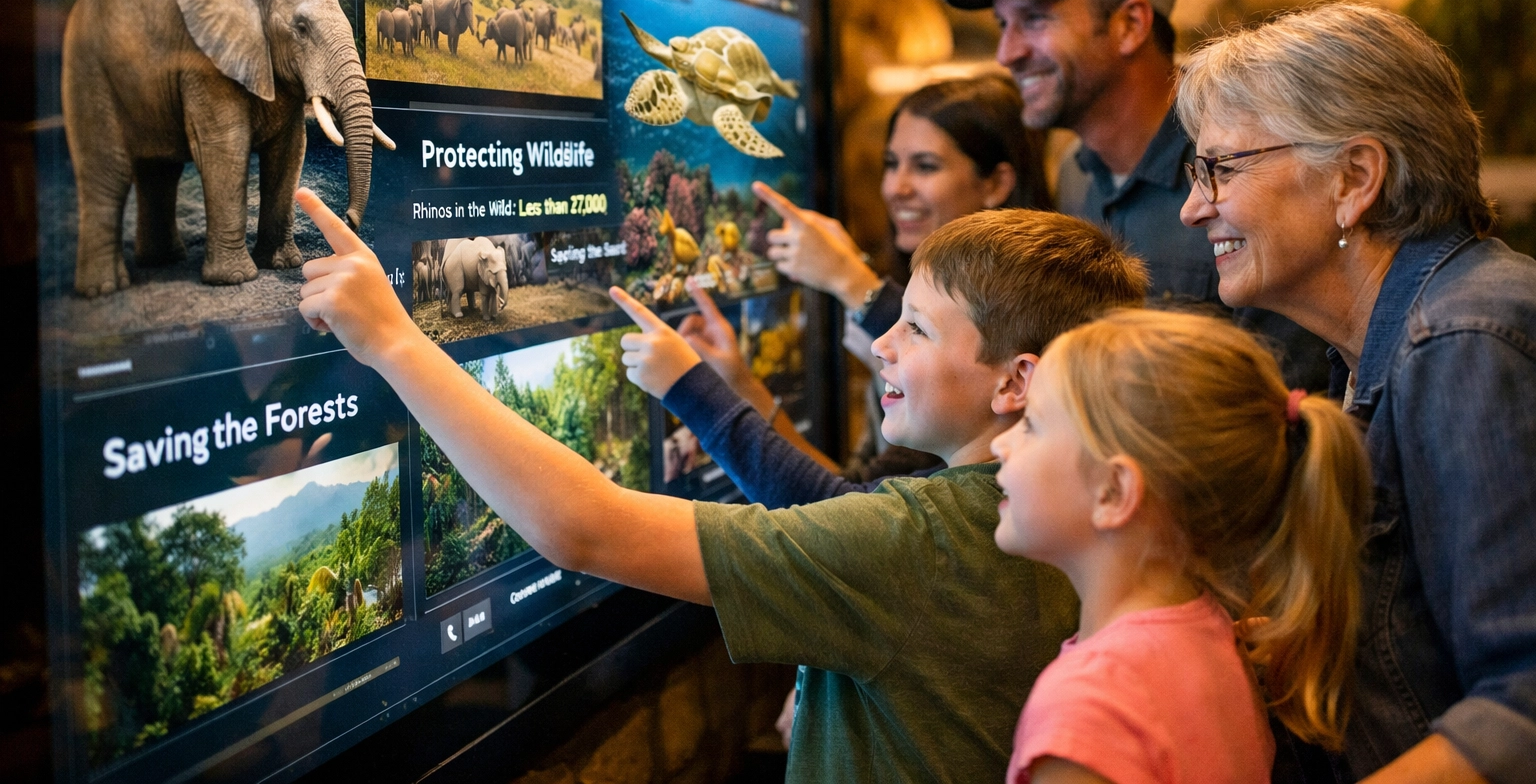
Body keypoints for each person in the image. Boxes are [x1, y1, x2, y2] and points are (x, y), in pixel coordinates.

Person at [294, 196, 1144, 783]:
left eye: (915, 327)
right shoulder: (1065, 512)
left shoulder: (925, 541)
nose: (880, 345)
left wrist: (396, 343)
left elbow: (585, 528)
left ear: (1014, 383)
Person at [1175, 1, 1536, 784]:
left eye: (1221, 169)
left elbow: (1522, 704)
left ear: (1355, 178)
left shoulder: (1462, 339)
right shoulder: (1373, 345)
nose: (1193, 206)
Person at [936, 0, 1331, 391]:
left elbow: (1297, 400)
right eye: (1003, 24)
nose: (1007, 53)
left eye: (1035, 20)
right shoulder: (1074, 173)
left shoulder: (1243, 168)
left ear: (1130, 24)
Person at [991, 308, 1370, 784]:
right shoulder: (1213, 633)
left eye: (1032, 426)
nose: (1002, 445)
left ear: (1113, 491)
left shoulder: (1091, 706)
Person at [748, 74, 1050, 482]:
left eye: (925, 166)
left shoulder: (1040, 300)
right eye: (891, 164)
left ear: (996, 183)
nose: (896, 187)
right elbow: (859, 494)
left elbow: (855, 508)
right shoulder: (903, 280)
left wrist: (849, 279)